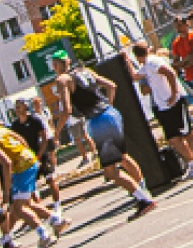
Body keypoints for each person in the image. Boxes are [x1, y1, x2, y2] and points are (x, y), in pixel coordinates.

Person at [62, 63, 157, 216]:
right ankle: (142, 190)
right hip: (110, 113)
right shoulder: (85, 71)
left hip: (99, 120)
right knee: (123, 158)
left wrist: (56, 132)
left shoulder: (64, 80)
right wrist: (109, 104)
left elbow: (67, 109)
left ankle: (143, 198)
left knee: (110, 171)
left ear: (57, 66)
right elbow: (111, 86)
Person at [0, 114, 60, 248]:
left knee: (18, 208)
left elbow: (6, 163)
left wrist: (6, 191)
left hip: (21, 167)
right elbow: (21, 139)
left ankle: (44, 235)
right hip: (28, 159)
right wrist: (28, 155)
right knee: (27, 204)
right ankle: (57, 221)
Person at [130, 42, 193, 180]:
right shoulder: (145, 66)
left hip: (174, 102)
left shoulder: (153, 62)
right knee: (173, 139)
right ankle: (192, 162)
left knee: (188, 132)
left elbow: (170, 73)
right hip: (163, 105)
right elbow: (135, 76)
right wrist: (125, 60)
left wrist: (174, 93)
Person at [8, 99, 70, 229]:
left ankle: (57, 206)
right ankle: (39, 212)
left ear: (25, 107)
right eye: (16, 107)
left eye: (20, 107)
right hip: (27, 159)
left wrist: (40, 155)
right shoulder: (15, 125)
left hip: (40, 154)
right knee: (30, 189)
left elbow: (44, 138)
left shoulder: (35, 120)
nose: (17, 109)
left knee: (50, 179)